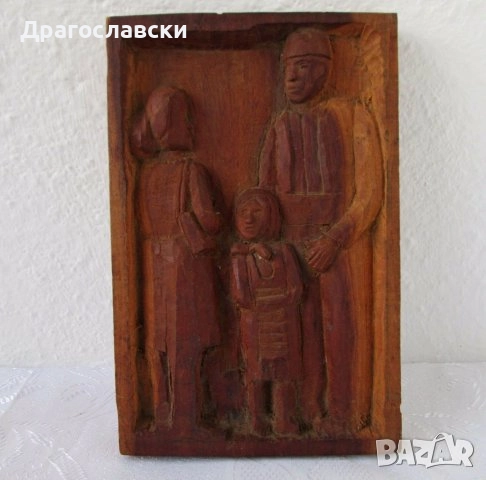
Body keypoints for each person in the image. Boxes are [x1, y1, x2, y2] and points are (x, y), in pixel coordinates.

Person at [259, 28, 383, 432]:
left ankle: (344, 415)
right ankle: (306, 412)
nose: (292, 76)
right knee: (301, 332)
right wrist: (269, 247)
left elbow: (370, 193)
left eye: (303, 66)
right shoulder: (279, 126)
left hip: (339, 245)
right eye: (288, 67)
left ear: (324, 70)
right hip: (290, 247)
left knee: (341, 330)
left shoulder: (353, 116)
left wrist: (336, 238)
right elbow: (265, 195)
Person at [131, 86, 223, 434]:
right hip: (185, 266)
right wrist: (221, 219)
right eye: (187, 119)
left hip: (155, 264)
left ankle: (161, 413)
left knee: (160, 344)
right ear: (171, 125)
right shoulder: (190, 170)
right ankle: (186, 421)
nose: (192, 125)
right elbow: (208, 220)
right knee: (186, 343)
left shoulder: (146, 174)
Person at [229, 188, 304, 436]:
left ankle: (284, 420)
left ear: (271, 216)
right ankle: (257, 421)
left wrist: (272, 303)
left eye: (257, 211)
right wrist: (276, 301)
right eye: (243, 212)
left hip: (283, 325)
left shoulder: (285, 252)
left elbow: (296, 289)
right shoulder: (240, 258)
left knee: (284, 374)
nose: (248, 218)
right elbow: (241, 297)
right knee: (256, 374)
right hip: (256, 326)